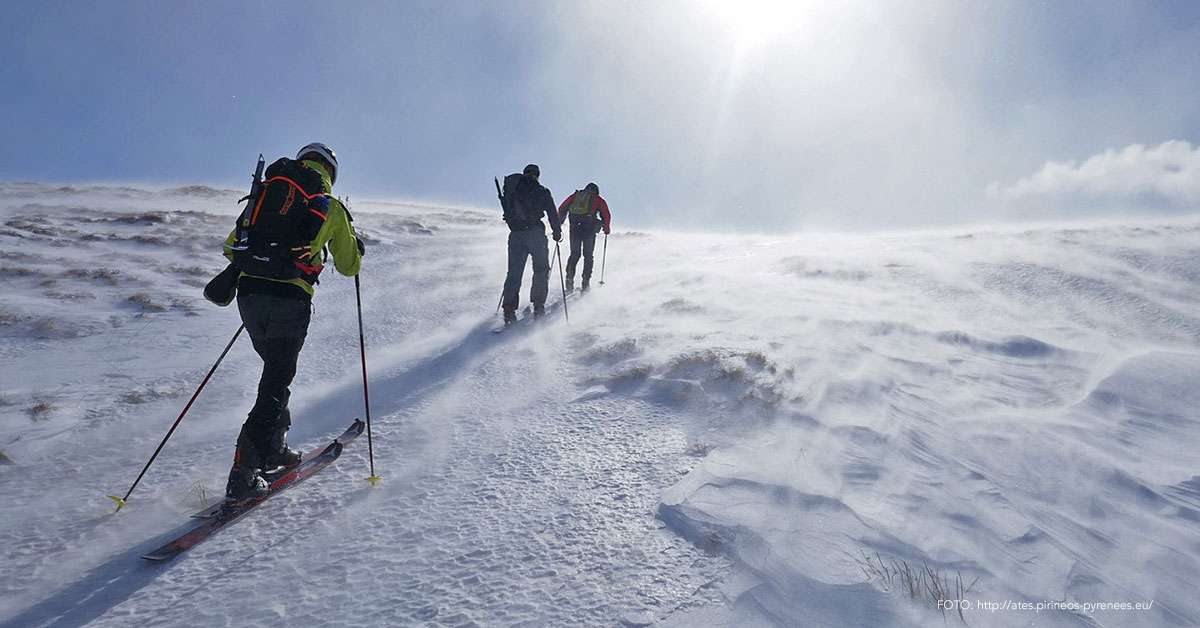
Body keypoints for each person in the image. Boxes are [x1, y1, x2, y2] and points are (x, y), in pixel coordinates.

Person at [222, 142, 363, 502]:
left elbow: (230, 246)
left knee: (275, 373)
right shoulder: (329, 205)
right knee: (275, 380)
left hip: (249, 295)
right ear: (331, 172)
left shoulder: (267, 193)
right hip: (290, 299)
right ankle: (244, 472)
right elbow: (349, 266)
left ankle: (274, 448)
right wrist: (354, 247)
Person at [500, 164, 562, 324]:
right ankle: (538, 305)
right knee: (541, 268)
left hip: (515, 234)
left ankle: (508, 309)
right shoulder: (541, 191)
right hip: (535, 233)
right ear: (537, 175)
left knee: (514, 271)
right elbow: (551, 212)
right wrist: (556, 230)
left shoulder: (514, 189)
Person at [556, 182, 611, 293]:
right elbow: (606, 213)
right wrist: (606, 228)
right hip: (589, 230)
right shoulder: (597, 199)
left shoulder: (575, 196)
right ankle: (585, 281)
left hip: (575, 227)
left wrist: (559, 222)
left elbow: (562, 208)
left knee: (575, 254)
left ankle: (569, 279)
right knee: (588, 255)